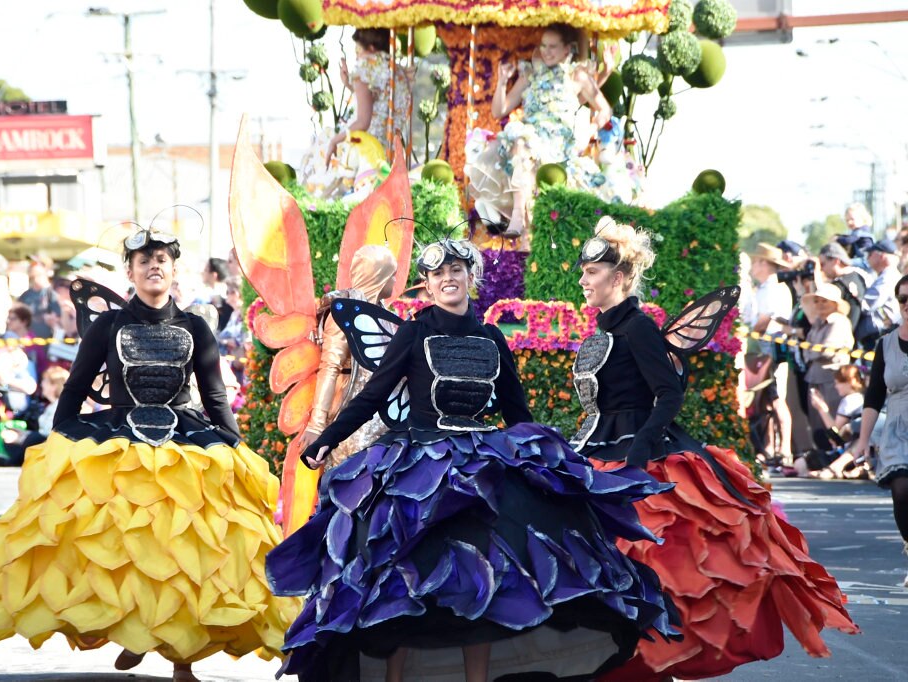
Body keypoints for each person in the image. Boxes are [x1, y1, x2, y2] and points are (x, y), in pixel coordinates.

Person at [267, 238, 679, 681]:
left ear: (471, 278)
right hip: (419, 467)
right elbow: (372, 395)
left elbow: (517, 412)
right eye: (438, 273)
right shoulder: (414, 332)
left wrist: (544, 460)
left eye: (457, 270)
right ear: (425, 284)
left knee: (491, 581)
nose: (448, 278)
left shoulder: (491, 337)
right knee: (402, 576)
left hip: (482, 466)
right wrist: (326, 436)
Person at [0, 231, 298, 681]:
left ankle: (181, 661)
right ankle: (133, 632)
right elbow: (75, 389)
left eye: (162, 260)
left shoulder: (196, 327)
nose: (154, 266)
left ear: (174, 270)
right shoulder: (108, 326)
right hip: (121, 442)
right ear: (130, 272)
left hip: (184, 446)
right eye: (144, 260)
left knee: (184, 555)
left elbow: (214, 396)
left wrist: (233, 447)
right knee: (125, 548)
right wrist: (67, 442)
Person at [570, 217, 857, 681]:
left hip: (635, 455)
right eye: (583, 272)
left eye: (592, 273)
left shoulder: (638, 327)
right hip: (598, 450)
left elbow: (668, 393)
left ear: (619, 278)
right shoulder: (605, 331)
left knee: (654, 561)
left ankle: (648, 658)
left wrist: (641, 452)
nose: (583, 281)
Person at [485, 23, 610, 237]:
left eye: (552, 46)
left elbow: (604, 109)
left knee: (522, 145)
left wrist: (589, 129)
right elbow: (499, 111)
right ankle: (519, 218)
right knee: (520, 143)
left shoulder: (577, 76)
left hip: (560, 147)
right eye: (543, 46)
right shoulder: (529, 74)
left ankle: (527, 227)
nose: (546, 51)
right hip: (529, 142)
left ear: (566, 49)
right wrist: (502, 82)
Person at [297, 244, 397, 469]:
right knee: (348, 478)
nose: (395, 282)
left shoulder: (387, 316)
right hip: (348, 411)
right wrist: (317, 425)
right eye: (393, 275)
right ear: (379, 277)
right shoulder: (344, 313)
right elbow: (330, 367)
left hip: (382, 417)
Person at [849, 273, 908, 587]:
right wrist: (861, 442)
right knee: (901, 491)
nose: (907, 305)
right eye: (903, 299)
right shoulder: (885, 344)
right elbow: (873, 397)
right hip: (898, 427)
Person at [327, 28, 414, 160]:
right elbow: (380, 102)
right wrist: (349, 85)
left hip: (368, 154)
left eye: (358, 50)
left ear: (371, 48)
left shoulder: (365, 68)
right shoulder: (398, 71)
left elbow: (362, 122)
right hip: (391, 154)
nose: (357, 56)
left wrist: (334, 141)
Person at [743, 242, 795, 463]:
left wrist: (750, 333)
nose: (753, 267)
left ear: (764, 263)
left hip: (773, 351)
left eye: (756, 262)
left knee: (777, 398)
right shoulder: (763, 289)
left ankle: (785, 449)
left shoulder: (776, 289)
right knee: (765, 401)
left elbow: (764, 320)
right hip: (763, 351)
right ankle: (769, 448)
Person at [800, 283, 854, 448]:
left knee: (832, 417)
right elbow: (807, 349)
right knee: (816, 419)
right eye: (817, 301)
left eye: (825, 301)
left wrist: (812, 353)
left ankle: (835, 453)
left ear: (835, 304)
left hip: (832, 377)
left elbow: (827, 350)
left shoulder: (839, 322)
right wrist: (812, 352)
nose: (820, 304)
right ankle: (821, 453)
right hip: (814, 375)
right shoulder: (817, 322)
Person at [819, 242, 868, 344]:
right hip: (853, 340)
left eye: (823, 264)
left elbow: (817, 315)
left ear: (836, 261)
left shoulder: (840, 285)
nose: (821, 269)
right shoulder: (859, 277)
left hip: (839, 343)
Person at [863, 238, 903, 336]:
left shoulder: (888, 277)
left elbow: (867, 305)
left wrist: (853, 298)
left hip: (891, 332)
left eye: (870, 254)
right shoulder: (890, 275)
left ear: (882, 256)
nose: (867, 258)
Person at [17, 258, 62, 339]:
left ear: (46, 269)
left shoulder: (53, 294)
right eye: (31, 264)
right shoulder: (25, 296)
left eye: (36, 263)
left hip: (46, 343)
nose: (32, 266)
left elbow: (59, 320)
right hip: (27, 342)